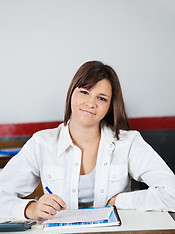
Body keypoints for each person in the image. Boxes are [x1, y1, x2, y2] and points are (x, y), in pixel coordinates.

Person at [0, 61, 175, 221]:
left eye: (101, 98)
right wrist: (30, 209)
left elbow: (172, 193)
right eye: (84, 92)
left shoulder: (129, 142)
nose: (91, 103)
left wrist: (120, 200)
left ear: (109, 107)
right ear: (71, 94)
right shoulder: (41, 143)